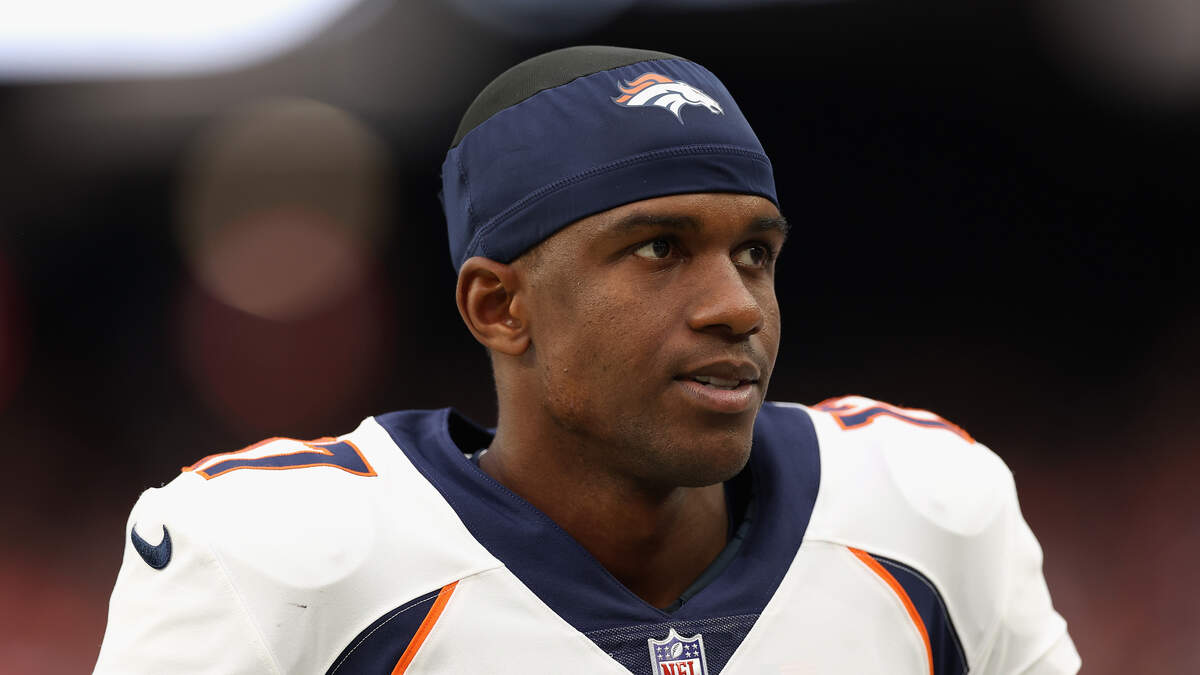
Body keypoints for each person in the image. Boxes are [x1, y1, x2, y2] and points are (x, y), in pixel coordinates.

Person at [94, 46, 1080, 674]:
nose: (738, 307)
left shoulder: (927, 510)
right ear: (500, 307)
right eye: (659, 249)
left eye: (755, 254)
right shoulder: (277, 558)